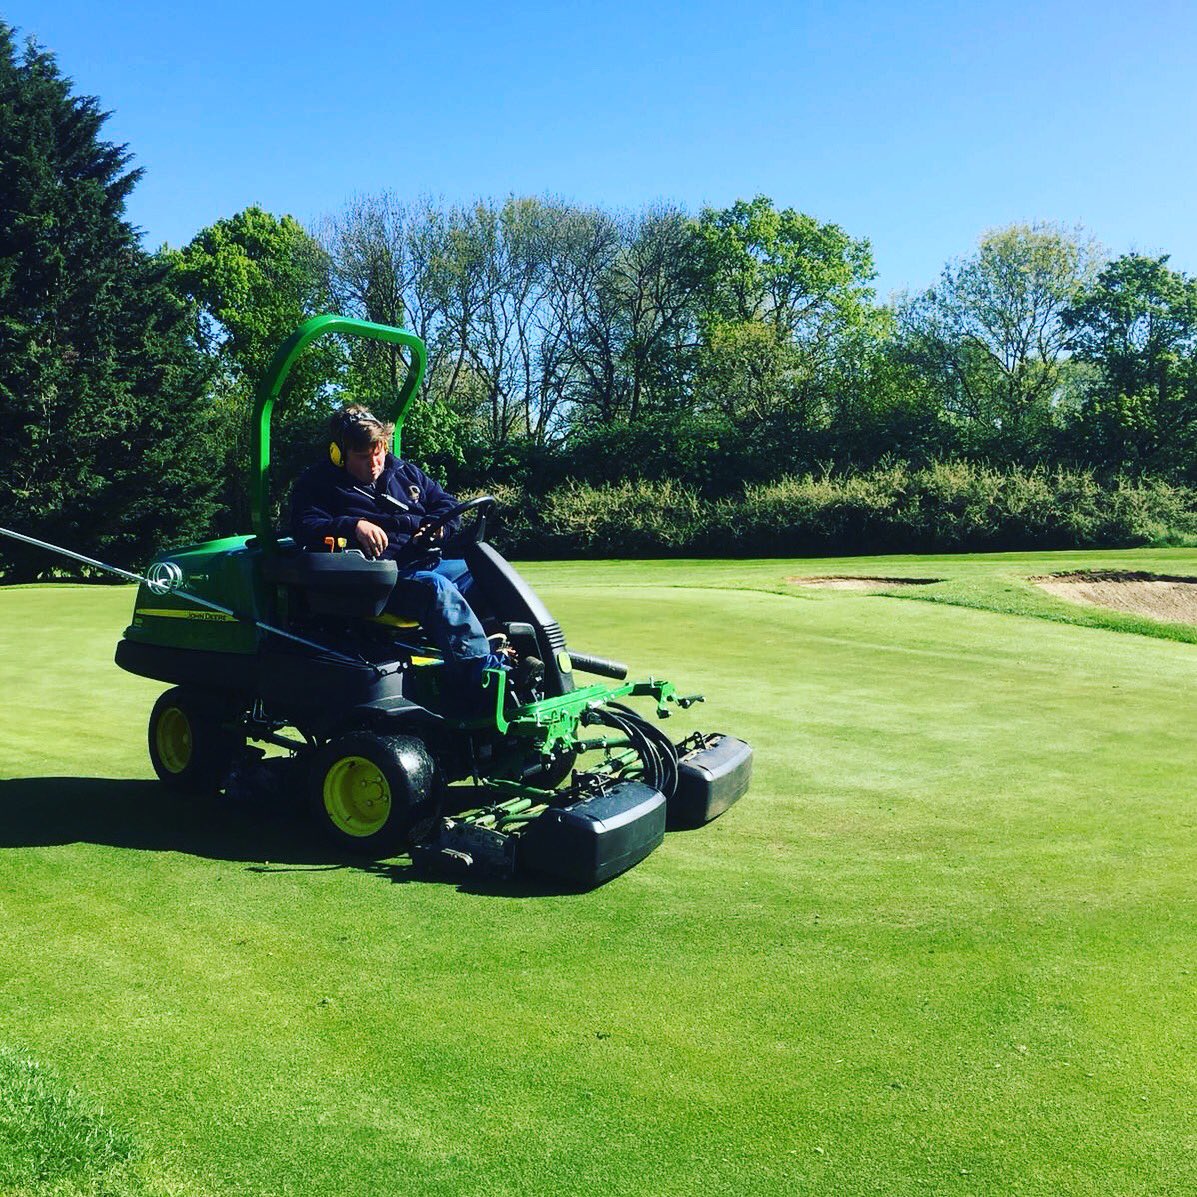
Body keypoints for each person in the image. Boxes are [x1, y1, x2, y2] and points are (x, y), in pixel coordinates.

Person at [290, 405, 508, 696]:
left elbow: (445, 503)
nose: (374, 463)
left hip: (423, 562)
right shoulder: (318, 484)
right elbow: (305, 525)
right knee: (436, 589)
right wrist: (353, 525)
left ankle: (510, 650)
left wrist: (437, 526)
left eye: (378, 452)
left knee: (487, 572)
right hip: (374, 582)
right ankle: (483, 680)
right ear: (338, 454)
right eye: (363, 457)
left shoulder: (404, 472)